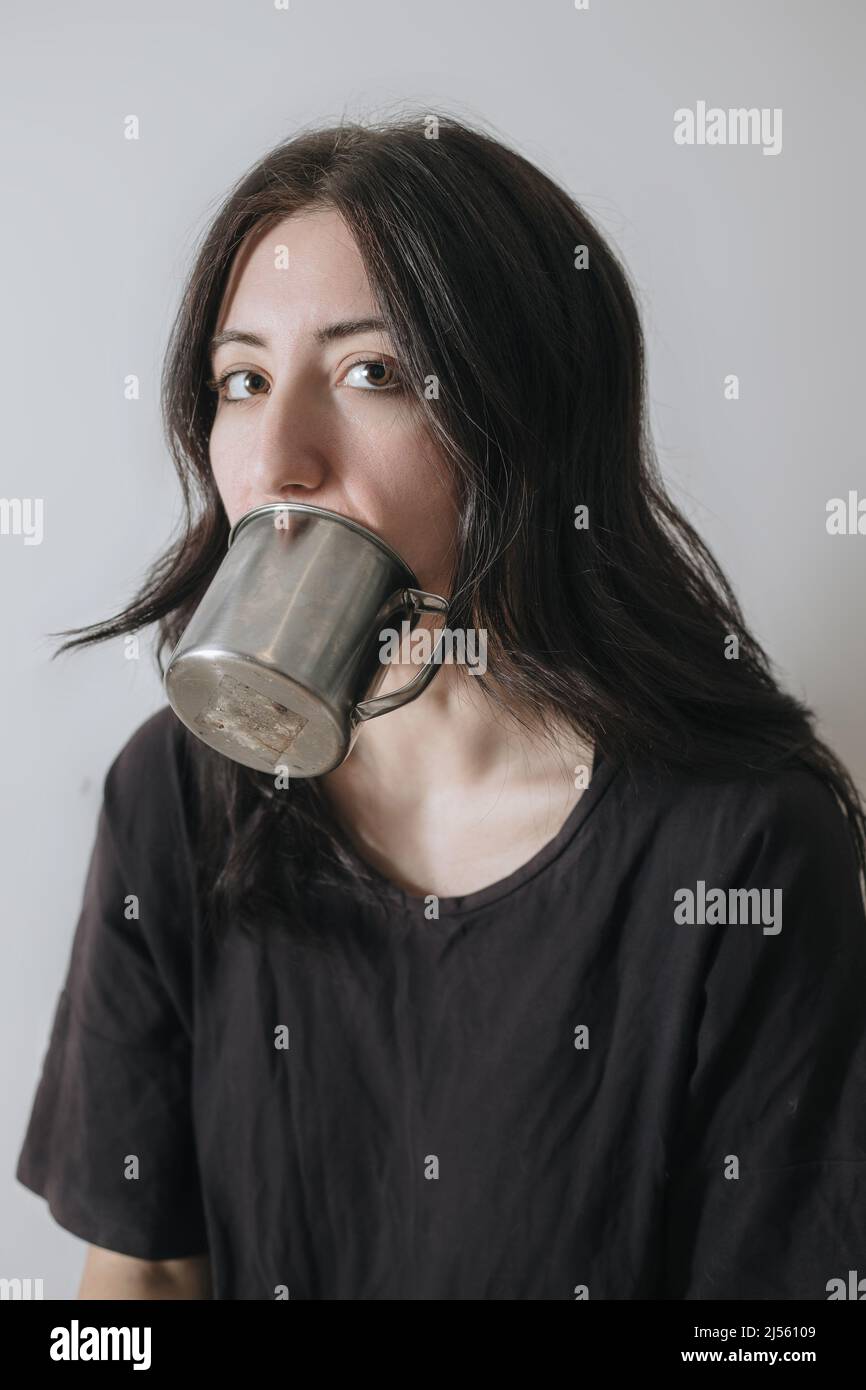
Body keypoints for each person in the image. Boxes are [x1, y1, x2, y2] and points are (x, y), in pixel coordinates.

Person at [16, 112, 866, 1301]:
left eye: (371, 372)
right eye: (242, 380)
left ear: (525, 417)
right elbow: (142, 1280)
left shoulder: (742, 845)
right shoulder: (174, 789)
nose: (277, 459)